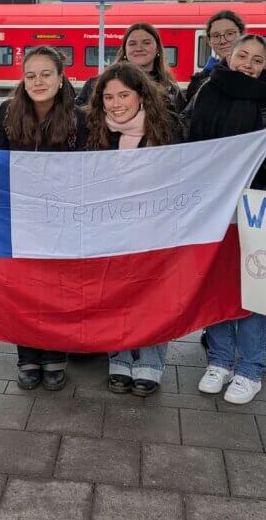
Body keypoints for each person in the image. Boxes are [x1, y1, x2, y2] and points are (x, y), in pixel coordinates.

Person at [189, 34, 266, 405]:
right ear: (229, 57)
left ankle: (250, 368)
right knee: (216, 282)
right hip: (212, 202)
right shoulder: (206, 89)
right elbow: (188, 137)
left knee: (252, 284)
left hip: (254, 202)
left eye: (257, 59)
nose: (248, 64)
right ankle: (219, 361)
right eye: (242, 55)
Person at [0, 46, 88, 391]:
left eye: (46, 74)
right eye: (30, 75)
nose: (38, 81)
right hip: (20, 220)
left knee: (58, 290)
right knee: (24, 291)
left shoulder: (80, 118)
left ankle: (55, 354)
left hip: (63, 222)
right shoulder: (6, 113)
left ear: (61, 78)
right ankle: (27, 356)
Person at [84, 62, 181, 396]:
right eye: (108, 97)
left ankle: (150, 362)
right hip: (110, 230)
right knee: (116, 294)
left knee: (152, 294)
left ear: (142, 95)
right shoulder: (94, 130)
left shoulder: (167, 129)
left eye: (124, 94)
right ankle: (120, 356)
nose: (116, 103)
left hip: (153, 230)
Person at [75, 23, 186, 112]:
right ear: (125, 50)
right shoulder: (95, 84)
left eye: (146, 43)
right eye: (132, 44)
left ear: (157, 49)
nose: (139, 48)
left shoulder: (171, 90)